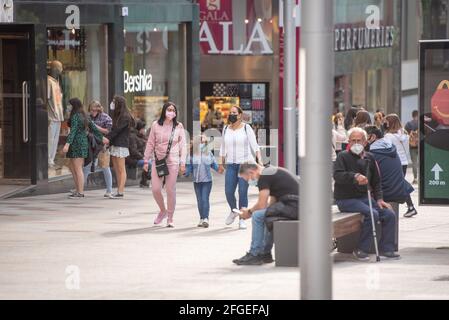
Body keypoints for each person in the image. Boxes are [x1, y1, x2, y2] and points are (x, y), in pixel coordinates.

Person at [334, 127, 400, 261]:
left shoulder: (370, 157)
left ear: (365, 142)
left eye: (359, 140)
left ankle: (387, 248)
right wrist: (355, 177)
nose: (356, 143)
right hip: (346, 199)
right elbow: (337, 175)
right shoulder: (342, 156)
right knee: (372, 214)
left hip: (364, 198)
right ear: (348, 142)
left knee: (388, 214)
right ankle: (361, 248)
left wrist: (380, 199)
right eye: (353, 141)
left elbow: (376, 182)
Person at [232, 163, 299, 266]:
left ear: (251, 172)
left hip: (294, 206)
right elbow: (271, 203)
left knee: (257, 216)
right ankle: (265, 254)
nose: (249, 182)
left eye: (247, 179)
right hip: (296, 205)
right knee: (267, 216)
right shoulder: (270, 171)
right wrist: (255, 210)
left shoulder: (264, 177)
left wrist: (248, 212)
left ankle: (255, 254)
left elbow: (261, 204)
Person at [143, 102, 187, 228]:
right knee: (156, 189)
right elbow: (150, 143)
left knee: (170, 190)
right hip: (157, 161)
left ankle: (170, 217)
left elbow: (183, 145)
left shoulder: (178, 126)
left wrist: (182, 162)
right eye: (169, 109)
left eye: (173, 110)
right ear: (164, 111)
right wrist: (146, 160)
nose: (171, 112)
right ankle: (163, 211)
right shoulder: (156, 125)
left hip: (173, 161)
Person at [219, 106, 262, 230]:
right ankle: (234, 211)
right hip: (231, 164)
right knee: (228, 192)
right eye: (230, 112)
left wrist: (260, 161)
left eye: (234, 113)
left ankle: (242, 218)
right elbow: (223, 147)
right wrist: (221, 163)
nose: (231, 114)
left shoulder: (246, 128)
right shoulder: (226, 128)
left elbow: (255, 146)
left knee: (242, 192)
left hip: (245, 165)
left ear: (239, 115)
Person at [366, 126, 418, 218]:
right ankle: (410, 206)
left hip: (386, 193)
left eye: (363, 138)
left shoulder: (372, 154)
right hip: (399, 191)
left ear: (373, 137)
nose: (362, 141)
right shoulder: (390, 148)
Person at [63, 98, 108, 198]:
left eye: (69, 105)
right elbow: (94, 128)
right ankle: (78, 189)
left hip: (76, 144)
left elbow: (73, 131)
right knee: (73, 167)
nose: (68, 107)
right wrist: (101, 137)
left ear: (74, 105)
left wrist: (67, 144)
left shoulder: (75, 116)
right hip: (81, 143)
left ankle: (80, 192)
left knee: (77, 168)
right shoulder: (85, 115)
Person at [184, 135, 220, 228]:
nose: (202, 144)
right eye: (200, 142)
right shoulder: (191, 155)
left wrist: (221, 169)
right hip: (196, 181)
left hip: (207, 181)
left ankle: (206, 219)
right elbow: (189, 168)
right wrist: (184, 172)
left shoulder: (209, 154)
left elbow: (214, 165)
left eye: (204, 142)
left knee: (205, 199)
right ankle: (201, 218)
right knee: (199, 201)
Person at [80, 101, 114, 198]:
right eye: (91, 110)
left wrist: (96, 127)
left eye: (95, 110)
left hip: (102, 146)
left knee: (105, 167)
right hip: (91, 145)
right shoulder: (88, 117)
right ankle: (79, 189)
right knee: (86, 167)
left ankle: (109, 191)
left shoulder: (105, 117)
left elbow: (108, 131)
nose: (93, 112)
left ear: (99, 109)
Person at [106, 95, 135, 199]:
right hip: (115, 144)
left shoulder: (125, 117)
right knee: (117, 169)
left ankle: (120, 191)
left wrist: (107, 138)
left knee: (121, 169)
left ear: (119, 103)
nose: (112, 103)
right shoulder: (118, 115)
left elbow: (116, 130)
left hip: (121, 145)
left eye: (114, 101)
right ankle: (119, 190)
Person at [47, 60, 64, 168]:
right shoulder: (48, 81)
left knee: (55, 139)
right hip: (51, 115)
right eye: (59, 68)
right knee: (50, 139)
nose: (60, 71)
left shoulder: (56, 82)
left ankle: (51, 160)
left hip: (58, 115)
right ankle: (48, 160)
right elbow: (47, 98)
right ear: (55, 69)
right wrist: (53, 112)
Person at [383, 114, 411, 179]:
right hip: (404, 162)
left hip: (393, 163)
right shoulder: (406, 135)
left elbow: (387, 150)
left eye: (386, 122)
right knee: (400, 183)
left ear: (390, 123)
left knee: (393, 184)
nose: (385, 124)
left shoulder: (388, 136)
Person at [404, 110, 419, 185]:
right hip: (421, 146)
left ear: (412, 115)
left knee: (414, 162)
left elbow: (405, 135)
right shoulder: (421, 123)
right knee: (423, 162)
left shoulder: (408, 124)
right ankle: (422, 177)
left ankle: (415, 178)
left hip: (412, 146)